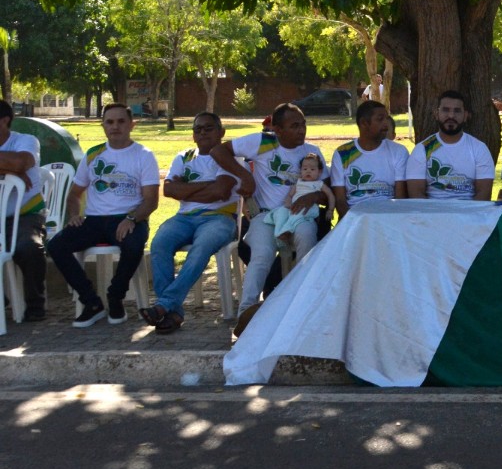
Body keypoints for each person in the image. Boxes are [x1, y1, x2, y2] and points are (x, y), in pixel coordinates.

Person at [209, 102, 327, 320]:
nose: (301, 130)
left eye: (303, 124)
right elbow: (218, 151)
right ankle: (246, 313)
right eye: (294, 126)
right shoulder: (261, 142)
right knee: (262, 254)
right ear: (278, 129)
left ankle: (302, 306)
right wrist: (244, 175)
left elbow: (327, 191)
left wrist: (314, 196)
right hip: (265, 215)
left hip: (299, 215)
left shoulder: (312, 152)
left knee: (307, 241)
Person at [46, 103, 159, 328]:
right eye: (109, 122)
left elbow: (151, 201)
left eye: (121, 121)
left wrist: (131, 219)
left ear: (131, 124)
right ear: (103, 126)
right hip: (94, 220)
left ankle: (115, 296)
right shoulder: (93, 154)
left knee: (134, 244)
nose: (115, 126)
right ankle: (91, 302)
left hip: (129, 217)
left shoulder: (143, 155)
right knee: (56, 245)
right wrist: (74, 215)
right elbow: (74, 194)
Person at [141, 112, 239, 334]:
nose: (202, 132)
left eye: (209, 128)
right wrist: (207, 186)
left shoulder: (228, 157)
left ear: (221, 132)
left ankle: (164, 306)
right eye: (198, 129)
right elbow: (168, 190)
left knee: (201, 248)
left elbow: (221, 192)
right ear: (193, 136)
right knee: (159, 244)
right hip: (184, 218)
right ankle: (173, 313)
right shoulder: (184, 157)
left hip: (220, 217)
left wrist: (185, 190)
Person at [0, 98, 46, 321]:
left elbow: (21, 162)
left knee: (28, 247)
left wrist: (16, 169)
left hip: (27, 215)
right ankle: (2, 300)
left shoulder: (26, 140)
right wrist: (9, 170)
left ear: (5, 120)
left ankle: (35, 304)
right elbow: (15, 165)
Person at [406, 90, 495, 200]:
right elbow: (416, 196)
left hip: (470, 214)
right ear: (436, 114)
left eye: (457, 111)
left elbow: (483, 195)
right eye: (445, 110)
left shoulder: (479, 149)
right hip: (432, 215)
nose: (451, 115)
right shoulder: (423, 149)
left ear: (465, 115)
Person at [331, 100, 409, 216]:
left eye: (386, 118)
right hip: (354, 219)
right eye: (380, 119)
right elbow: (340, 202)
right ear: (364, 123)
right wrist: (353, 223)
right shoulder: (343, 154)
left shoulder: (398, 151)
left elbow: (400, 199)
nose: (386, 124)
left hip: (388, 217)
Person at [264, 153, 335, 245]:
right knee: (281, 211)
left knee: (298, 214)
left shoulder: (319, 184)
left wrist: (330, 210)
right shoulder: (298, 182)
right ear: (300, 170)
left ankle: (287, 230)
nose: (308, 171)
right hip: (294, 207)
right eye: (305, 169)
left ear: (319, 172)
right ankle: (279, 232)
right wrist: (288, 202)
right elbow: (290, 195)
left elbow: (330, 195)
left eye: (312, 169)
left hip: (310, 208)